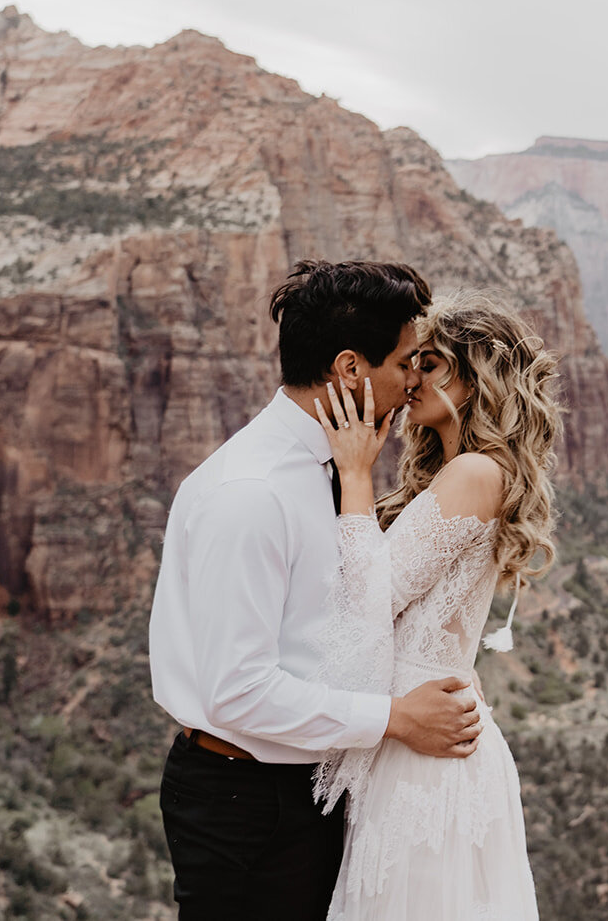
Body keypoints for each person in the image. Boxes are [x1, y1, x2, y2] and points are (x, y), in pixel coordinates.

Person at [149, 261, 485, 920]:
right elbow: (239, 689)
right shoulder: (251, 495)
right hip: (247, 802)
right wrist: (396, 718)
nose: (414, 380)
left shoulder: (332, 465)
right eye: (406, 362)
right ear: (350, 369)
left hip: (308, 788)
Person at [310, 288, 560, 919]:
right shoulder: (464, 471)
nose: (410, 378)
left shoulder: (475, 472)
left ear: (475, 379)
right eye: (412, 362)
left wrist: (357, 475)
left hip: (423, 751)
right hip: (420, 728)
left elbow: (372, 599)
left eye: (431, 364)